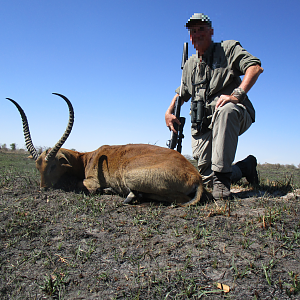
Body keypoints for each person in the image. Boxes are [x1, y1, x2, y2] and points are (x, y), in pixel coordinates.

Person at [165, 13, 264, 200]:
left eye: (201, 29)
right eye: (193, 31)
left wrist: (237, 95)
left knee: (225, 111)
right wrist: (169, 112)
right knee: (206, 180)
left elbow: (254, 67)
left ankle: (222, 181)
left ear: (211, 31)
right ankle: (245, 167)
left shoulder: (228, 49)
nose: (197, 34)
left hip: (233, 115)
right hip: (203, 125)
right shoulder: (189, 65)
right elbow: (182, 92)